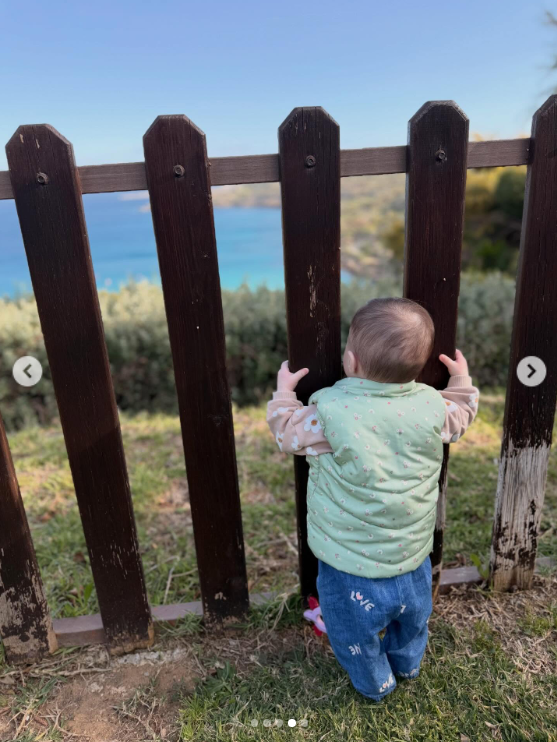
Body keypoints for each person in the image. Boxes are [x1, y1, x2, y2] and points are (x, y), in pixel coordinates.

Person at [267, 297, 479, 701]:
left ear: (351, 361)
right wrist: (461, 380)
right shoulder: (432, 406)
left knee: (353, 633)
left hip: (348, 564)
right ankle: (407, 664)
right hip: (412, 557)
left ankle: (374, 682)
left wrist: (283, 395)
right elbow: (461, 416)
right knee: (413, 622)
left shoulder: (332, 412)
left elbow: (288, 434)